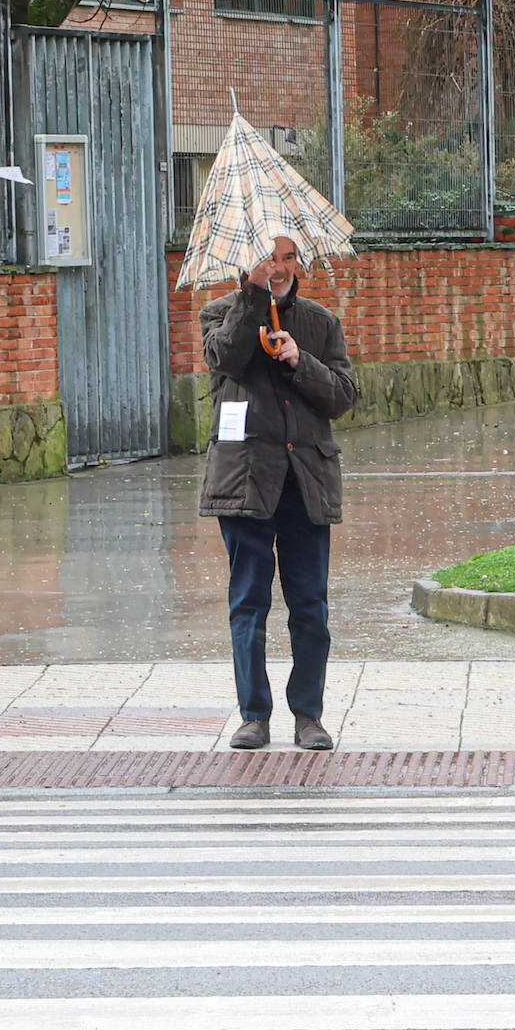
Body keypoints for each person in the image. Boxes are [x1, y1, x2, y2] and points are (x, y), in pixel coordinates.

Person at [198, 236, 358, 750]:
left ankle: (308, 714)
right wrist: (252, 297)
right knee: (249, 601)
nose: (281, 268)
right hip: (246, 480)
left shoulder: (319, 322)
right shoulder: (219, 315)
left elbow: (343, 397)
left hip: (305, 481)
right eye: (269, 259)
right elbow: (225, 358)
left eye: (288, 258)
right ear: (247, 263)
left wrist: (299, 360)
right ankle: (254, 715)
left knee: (309, 604)